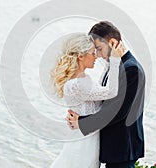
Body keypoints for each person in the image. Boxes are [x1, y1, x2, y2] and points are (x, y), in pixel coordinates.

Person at [67, 21, 146, 168]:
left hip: (122, 146)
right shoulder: (116, 66)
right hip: (115, 147)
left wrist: (82, 122)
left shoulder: (131, 69)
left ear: (112, 43)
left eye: (99, 48)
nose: (97, 55)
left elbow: (118, 111)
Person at [50, 33, 124, 168]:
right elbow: (111, 92)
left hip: (85, 137)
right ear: (80, 56)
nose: (96, 55)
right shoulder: (78, 84)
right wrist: (114, 60)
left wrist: (108, 62)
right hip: (84, 143)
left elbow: (100, 91)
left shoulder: (83, 79)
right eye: (92, 53)